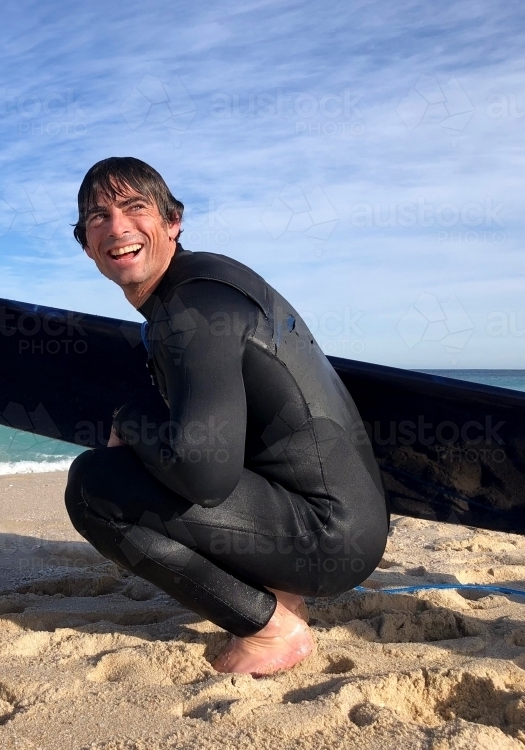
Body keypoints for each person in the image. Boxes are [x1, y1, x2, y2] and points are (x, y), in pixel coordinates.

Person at [64, 158, 390, 675]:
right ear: (86, 244)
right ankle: (285, 595)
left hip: (330, 539)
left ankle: (272, 630)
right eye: (99, 217)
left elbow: (205, 474)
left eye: (134, 207)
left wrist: (129, 419)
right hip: (343, 517)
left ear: (173, 221)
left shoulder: (190, 309)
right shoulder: (207, 285)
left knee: (93, 486)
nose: (118, 227)